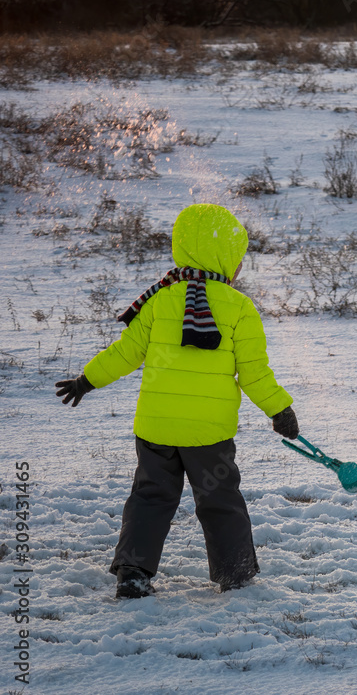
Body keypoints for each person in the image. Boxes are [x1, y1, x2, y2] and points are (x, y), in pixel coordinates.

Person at [55, 203, 300, 598]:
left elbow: (125, 352)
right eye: (238, 259)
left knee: (150, 498)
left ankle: (133, 573)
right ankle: (235, 575)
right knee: (220, 500)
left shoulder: (160, 299)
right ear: (226, 258)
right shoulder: (239, 308)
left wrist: (88, 380)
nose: (239, 268)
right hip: (209, 434)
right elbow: (254, 373)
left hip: (156, 430)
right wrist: (279, 409)